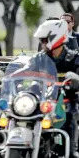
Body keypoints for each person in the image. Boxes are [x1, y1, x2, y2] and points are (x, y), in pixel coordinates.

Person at [34, 19, 79, 158]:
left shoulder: (74, 57)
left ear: (56, 38)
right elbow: (25, 73)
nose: (42, 44)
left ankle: (71, 151)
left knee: (70, 115)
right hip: (44, 102)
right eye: (42, 40)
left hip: (67, 100)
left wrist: (75, 81)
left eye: (44, 40)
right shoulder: (38, 59)